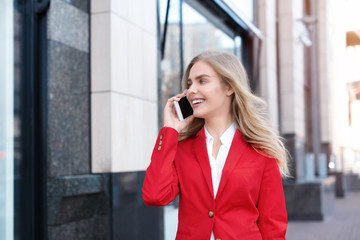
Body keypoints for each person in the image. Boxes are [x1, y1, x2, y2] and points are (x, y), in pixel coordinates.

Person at [142, 51, 288, 240]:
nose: (191, 90)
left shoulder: (261, 151)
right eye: (189, 83)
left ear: (229, 87)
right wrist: (170, 131)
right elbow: (154, 196)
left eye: (202, 81)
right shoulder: (182, 148)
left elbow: (273, 227)